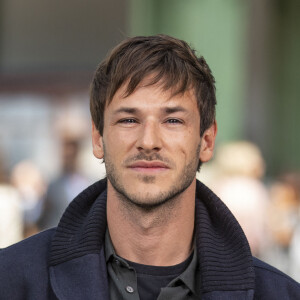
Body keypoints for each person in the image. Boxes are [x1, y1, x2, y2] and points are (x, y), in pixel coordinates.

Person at [0, 34, 299, 300]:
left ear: (206, 141)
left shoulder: (279, 293)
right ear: (98, 138)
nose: (148, 141)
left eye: (172, 121)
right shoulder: (11, 281)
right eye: (129, 120)